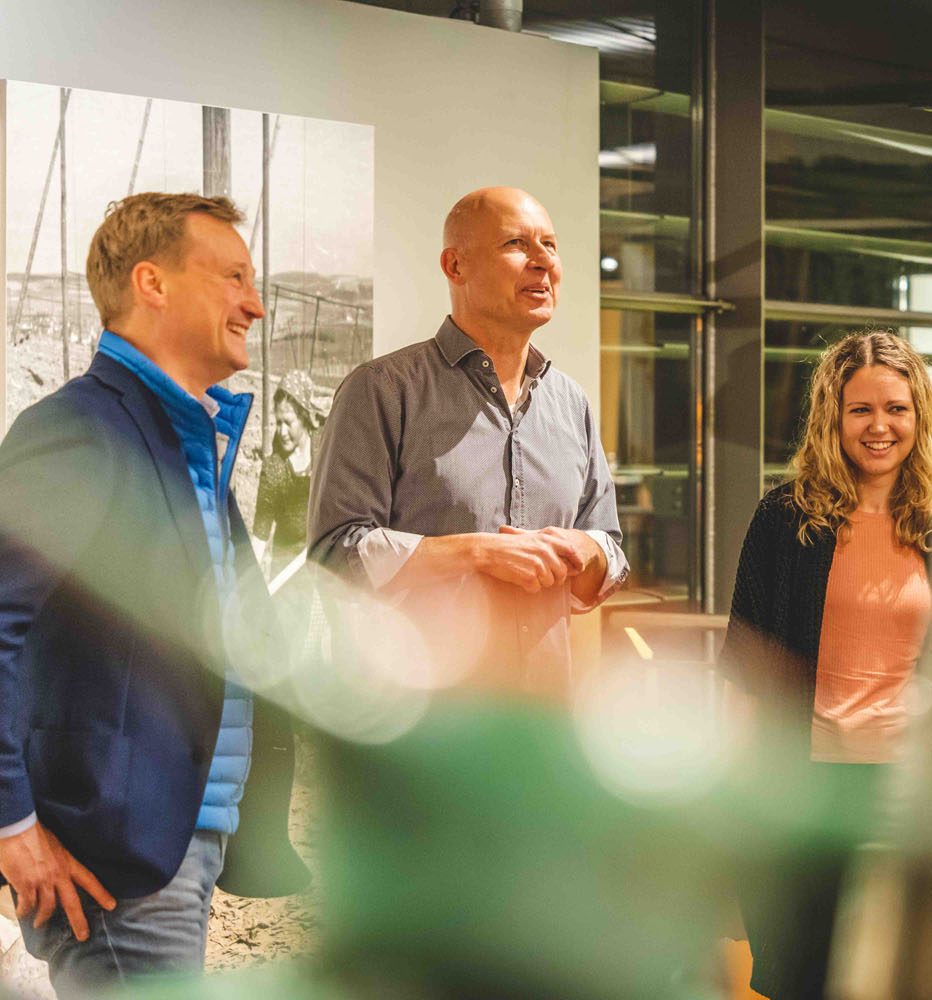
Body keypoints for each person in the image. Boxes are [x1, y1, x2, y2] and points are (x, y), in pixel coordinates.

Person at [0, 193, 306, 996]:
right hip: (118, 871)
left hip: (180, 848)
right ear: (152, 284)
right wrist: (11, 827)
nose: (257, 302)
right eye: (234, 276)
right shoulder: (80, 430)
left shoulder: (183, 437)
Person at [309, 186, 628, 695]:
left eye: (551, 244)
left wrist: (582, 548)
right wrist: (475, 553)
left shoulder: (572, 404)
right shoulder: (383, 391)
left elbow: (611, 553)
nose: (544, 261)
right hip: (420, 730)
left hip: (542, 728)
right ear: (455, 266)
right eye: (517, 245)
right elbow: (334, 553)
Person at [721, 330, 932, 1000]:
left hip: (906, 790)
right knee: (805, 975)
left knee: (899, 975)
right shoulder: (785, 518)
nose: (880, 427)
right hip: (807, 786)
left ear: (919, 416)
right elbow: (744, 657)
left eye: (897, 409)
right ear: (833, 416)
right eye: (861, 410)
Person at [253, 369, 325, 575]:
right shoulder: (274, 468)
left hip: (326, 560)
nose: (282, 431)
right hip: (288, 568)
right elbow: (260, 534)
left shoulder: (325, 445)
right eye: (278, 422)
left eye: (288, 422)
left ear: (304, 418)